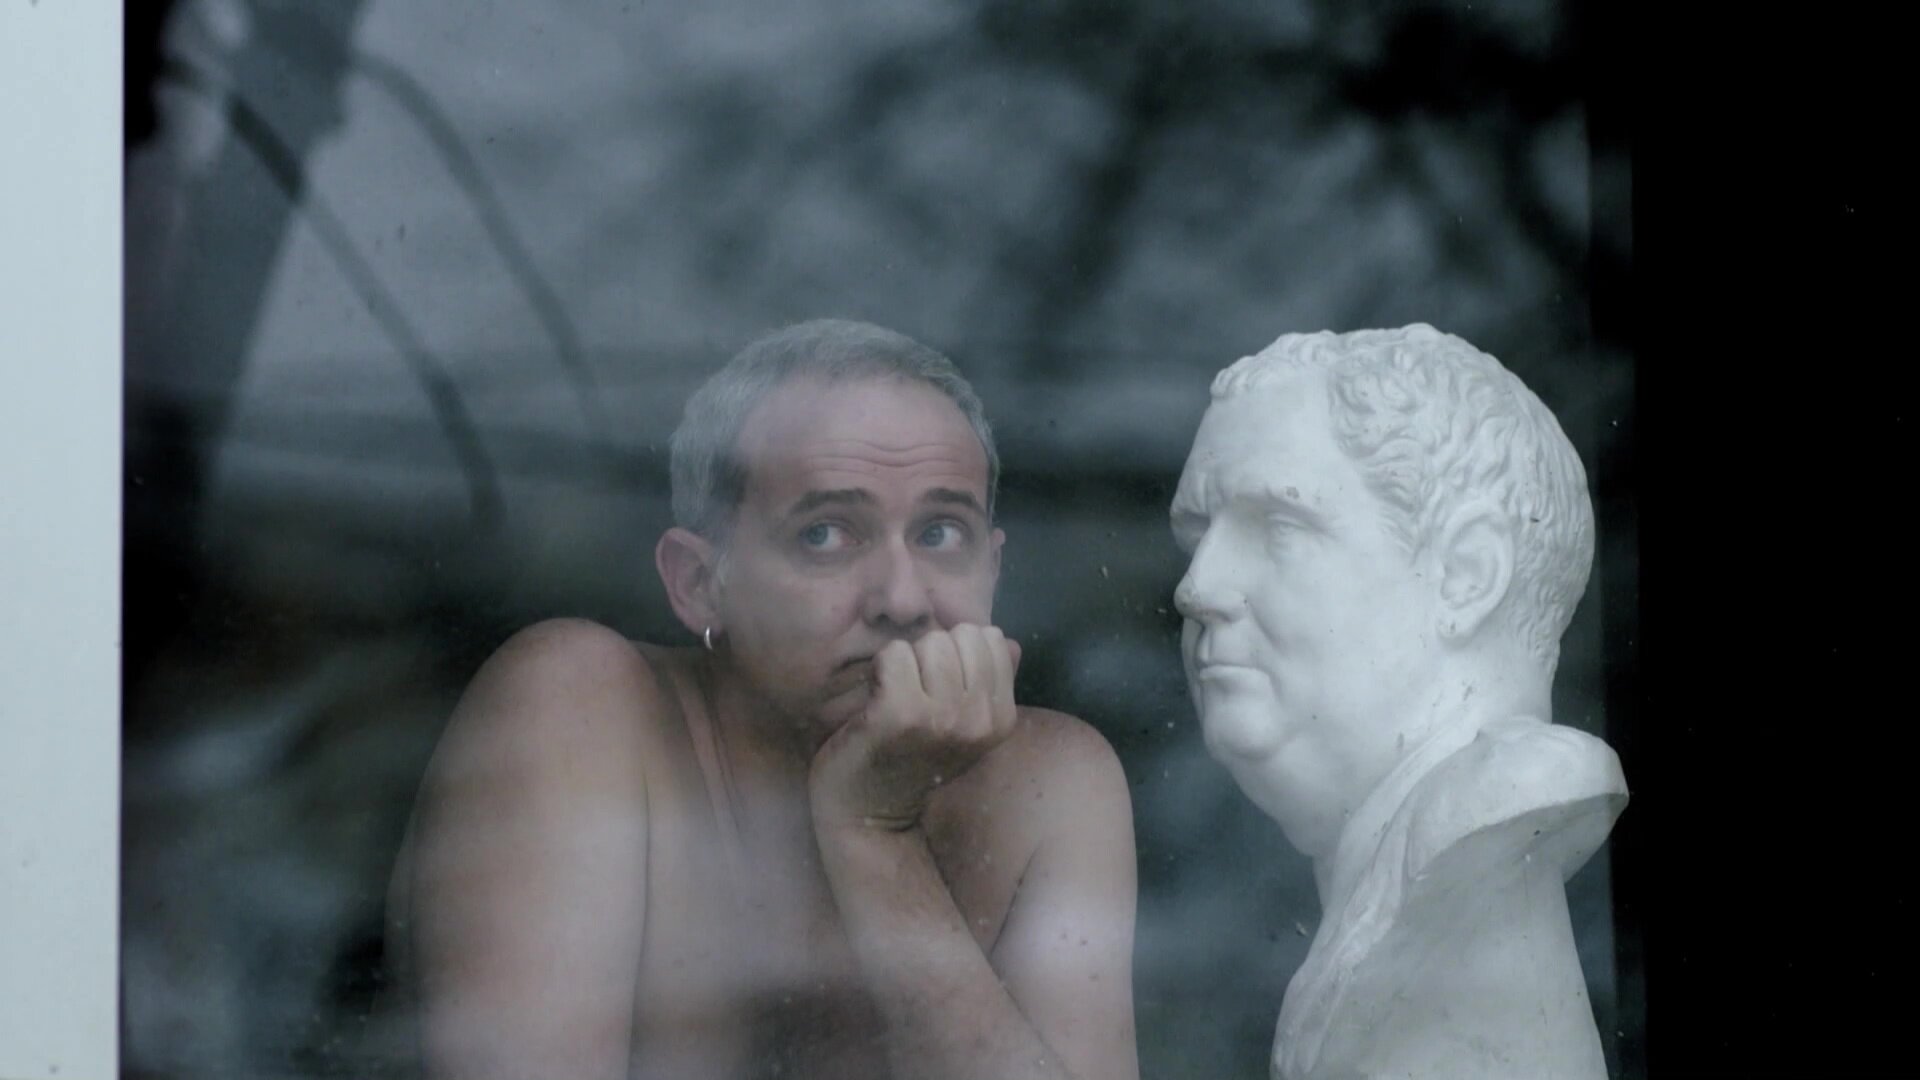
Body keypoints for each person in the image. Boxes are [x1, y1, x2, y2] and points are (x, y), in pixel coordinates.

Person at [383, 319, 1139, 1079]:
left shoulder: (1049, 778)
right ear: (698, 583)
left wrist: (877, 835)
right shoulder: (579, 701)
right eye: (826, 535)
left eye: (941, 534)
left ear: (993, 573)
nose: (903, 601)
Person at [1169, 324, 1626, 1080]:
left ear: (1466, 575)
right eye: (1197, 540)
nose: (1196, 587)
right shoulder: (1377, 897)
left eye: (1277, 527)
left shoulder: (1478, 858)